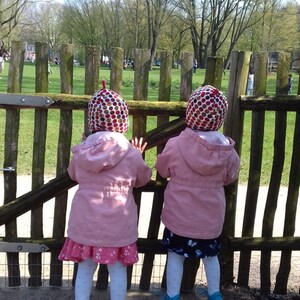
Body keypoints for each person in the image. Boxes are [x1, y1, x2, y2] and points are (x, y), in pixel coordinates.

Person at [58, 81, 152, 300]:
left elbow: (73, 174)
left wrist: (85, 147)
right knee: (118, 269)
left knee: (85, 268)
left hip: (85, 223)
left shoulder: (82, 151)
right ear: (122, 119)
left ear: (93, 120)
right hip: (117, 226)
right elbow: (143, 179)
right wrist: (138, 155)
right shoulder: (129, 152)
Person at [155, 85, 240, 300]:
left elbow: (163, 170)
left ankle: (172, 295)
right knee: (211, 256)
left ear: (191, 112)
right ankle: (214, 293)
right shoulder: (226, 150)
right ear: (219, 117)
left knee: (176, 255)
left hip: (179, 218)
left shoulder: (175, 144)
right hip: (210, 220)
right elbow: (231, 176)